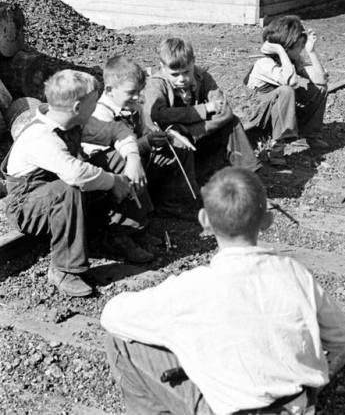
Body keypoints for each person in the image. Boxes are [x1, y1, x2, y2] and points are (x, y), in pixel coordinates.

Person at [102, 167, 345, 415]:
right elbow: (341, 336)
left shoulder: (193, 287)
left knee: (120, 342)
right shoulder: (294, 273)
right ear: (267, 221)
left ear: (204, 221)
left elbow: (111, 315)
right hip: (297, 405)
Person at [1, 69, 131, 298]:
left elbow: (110, 132)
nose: (97, 107)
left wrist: (131, 155)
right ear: (78, 108)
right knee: (70, 188)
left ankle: (110, 234)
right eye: (94, 103)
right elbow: (75, 174)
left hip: (53, 194)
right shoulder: (41, 136)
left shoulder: (71, 122)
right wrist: (114, 181)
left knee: (112, 160)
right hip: (26, 206)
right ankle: (63, 269)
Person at [82, 54, 198, 232]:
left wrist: (154, 137)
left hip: (139, 161)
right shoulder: (100, 115)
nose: (136, 98)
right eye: (131, 93)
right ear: (109, 90)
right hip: (116, 173)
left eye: (139, 91)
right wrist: (145, 143)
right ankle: (127, 228)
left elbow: (142, 134)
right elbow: (110, 157)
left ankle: (173, 203)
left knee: (179, 148)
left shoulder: (133, 107)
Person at [141, 38, 260, 189]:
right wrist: (204, 109)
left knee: (232, 122)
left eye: (186, 72)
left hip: (197, 138)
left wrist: (190, 130)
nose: (182, 79)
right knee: (177, 136)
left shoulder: (202, 77)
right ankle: (187, 196)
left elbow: (224, 110)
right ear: (162, 68)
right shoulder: (156, 84)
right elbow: (158, 115)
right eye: (175, 74)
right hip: (171, 148)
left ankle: (250, 179)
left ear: (193, 63)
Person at [245, 15, 329, 165]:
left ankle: (307, 135)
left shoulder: (291, 60)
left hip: (280, 110)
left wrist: (312, 51)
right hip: (259, 114)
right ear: (286, 47)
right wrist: (279, 50)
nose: (302, 50)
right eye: (300, 47)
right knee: (286, 90)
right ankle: (276, 149)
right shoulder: (264, 63)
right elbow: (291, 81)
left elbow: (321, 80)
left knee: (319, 89)